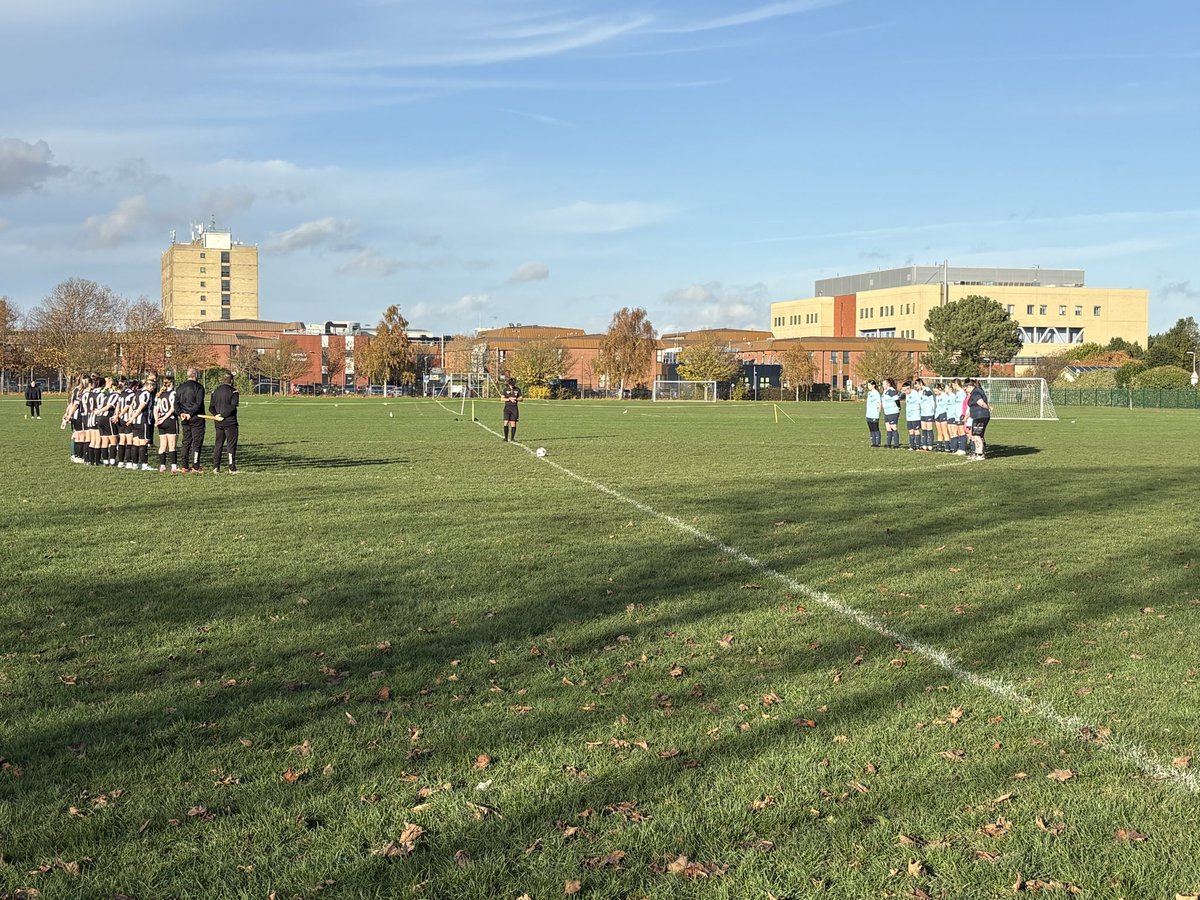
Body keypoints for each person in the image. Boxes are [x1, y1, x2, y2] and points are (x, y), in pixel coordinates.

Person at [176, 367, 207, 473]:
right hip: (196, 418)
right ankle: (195, 466)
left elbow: (176, 404)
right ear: (195, 375)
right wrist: (188, 413)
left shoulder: (180, 387)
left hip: (185, 418)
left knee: (186, 441)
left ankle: (184, 466)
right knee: (196, 442)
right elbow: (198, 404)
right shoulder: (199, 387)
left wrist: (181, 413)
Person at [209, 372, 240, 474]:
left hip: (218, 423)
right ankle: (231, 467)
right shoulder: (234, 392)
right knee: (230, 445)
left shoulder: (215, 391)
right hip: (230, 422)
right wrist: (222, 415)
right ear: (231, 380)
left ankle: (215, 467)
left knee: (218, 445)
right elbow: (232, 406)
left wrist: (216, 415)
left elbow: (211, 407)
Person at [155, 376, 180, 473]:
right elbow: (173, 408)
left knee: (162, 445)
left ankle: (162, 466)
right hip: (170, 420)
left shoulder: (160, 394)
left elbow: (156, 409)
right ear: (171, 383)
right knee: (172, 445)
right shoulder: (173, 393)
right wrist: (165, 418)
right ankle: (173, 467)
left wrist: (158, 420)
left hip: (161, 421)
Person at [965, 377, 991, 460]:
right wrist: (967, 416)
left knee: (977, 435)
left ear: (969, 386)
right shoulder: (974, 393)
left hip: (981, 416)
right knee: (976, 435)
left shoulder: (975, 392)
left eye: (966, 388)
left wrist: (988, 407)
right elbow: (973, 406)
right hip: (977, 416)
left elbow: (981, 403)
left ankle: (980, 454)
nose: (965, 390)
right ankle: (977, 453)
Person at [880, 378, 902, 448]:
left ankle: (896, 444)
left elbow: (897, 400)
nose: (883, 385)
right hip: (887, 412)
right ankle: (888, 444)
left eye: (884, 384)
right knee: (888, 428)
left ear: (888, 384)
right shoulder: (885, 391)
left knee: (893, 427)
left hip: (893, 412)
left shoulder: (891, 391)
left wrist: (898, 407)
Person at [916, 378, 936, 451]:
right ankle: (924, 444)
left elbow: (932, 401)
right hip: (922, 413)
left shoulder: (927, 390)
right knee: (923, 429)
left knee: (929, 429)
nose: (916, 387)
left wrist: (932, 411)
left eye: (917, 385)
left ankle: (930, 445)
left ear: (921, 383)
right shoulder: (919, 392)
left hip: (929, 412)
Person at [902, 381, 921, 450]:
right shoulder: (907, 394)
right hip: (909, 416)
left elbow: (919, 403)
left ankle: (918, 446)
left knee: (916, 430)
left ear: (909, 388)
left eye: (905, 390)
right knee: (910, 431)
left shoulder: (915, 393)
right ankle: (912, 446)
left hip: (915, 415)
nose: (904, 392)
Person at [501, 377, 521, 442]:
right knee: (506, 422)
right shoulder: (505, 389)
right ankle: (506, 438)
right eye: (511, 385)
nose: (512, 386)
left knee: (513, 423)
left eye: (513, 384)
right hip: (507, 408)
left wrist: (516, 399)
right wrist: (509, 399)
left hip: (514, 408)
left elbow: (521, 398)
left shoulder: (517, 389)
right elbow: (502, 399)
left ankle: (512, 438)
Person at [864, 380, 881, 448]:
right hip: (869, 413)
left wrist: (879, 411)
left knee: (875, 428)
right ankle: (873, 442)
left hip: (874, 413)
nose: (868, 387)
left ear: (873, 385)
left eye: (869, 385)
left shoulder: (876, 393)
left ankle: (878, 442)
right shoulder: (869, 393)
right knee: (871, 428)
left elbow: (879, 402)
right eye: (868, 385)